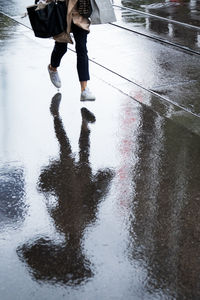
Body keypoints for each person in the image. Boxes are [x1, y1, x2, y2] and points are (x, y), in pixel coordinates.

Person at [47, 0, 95, 101]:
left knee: (82, 49)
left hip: (80, 11)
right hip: (61, 11)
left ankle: (84, 89)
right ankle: (52, 68)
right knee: (61, 47)